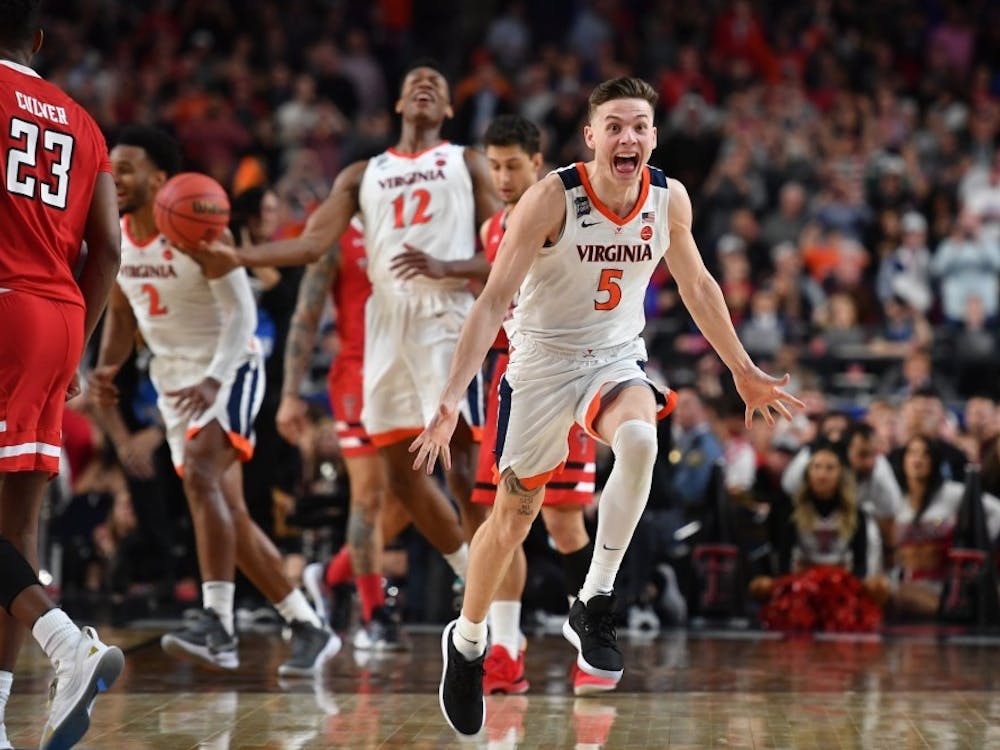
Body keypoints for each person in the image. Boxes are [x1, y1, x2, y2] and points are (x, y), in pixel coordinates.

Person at [409, 76, 805, 736]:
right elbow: (489, 303)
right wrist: (451, 400)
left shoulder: (667, 198)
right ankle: (469, 641)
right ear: (591, 137)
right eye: (615, 126)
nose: (629, 137)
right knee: (511, 519)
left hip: (614, 361)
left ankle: (594, 597)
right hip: (538, 364)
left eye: (640, 126)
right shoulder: (549, 198)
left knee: (643, 441)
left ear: (653, 136)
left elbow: (700, 285)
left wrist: (744, 370)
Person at [197, 60, 503, 559]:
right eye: (413, 83)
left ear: (448, 108)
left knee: (462, 469)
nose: (424, 85)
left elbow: (506, 248)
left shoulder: (466, 162)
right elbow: (314, 243)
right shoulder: (363, 174)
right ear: (399, 104)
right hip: (382, 323)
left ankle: (489, 611)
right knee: (401, 481)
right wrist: (239, 255)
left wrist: (447, 265)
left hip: (444, 314)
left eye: (436, 84)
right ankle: (470, 576)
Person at [90, 126, 336, 676]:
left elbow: (244, 315)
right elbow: (125, 314)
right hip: (176, 380)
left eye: (126, 168)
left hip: (231, 366)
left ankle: (217, 625)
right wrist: (107, 367)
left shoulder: (196, 228)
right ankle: (307, 626)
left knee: (201, 476)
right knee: (231, 520)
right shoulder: (121, 237)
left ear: (160, 178)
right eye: (112, 167)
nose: (115, 177)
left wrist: (215, 380)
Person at [0, 3, 124, 747]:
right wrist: (78, 345)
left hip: (4, 303)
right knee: (14, 531)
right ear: (37, 41)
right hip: (61, 316)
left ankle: (65, 643)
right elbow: (107, 247)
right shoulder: (82, 119)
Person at [282, 216, 468, 650]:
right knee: (367, 494)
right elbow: (306, 315)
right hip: (357, 377)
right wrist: (291, 392)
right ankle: (373, 614)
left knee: (411, 495)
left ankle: (327, 577)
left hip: (414, 371)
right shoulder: (337, 235)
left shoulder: (422, 222)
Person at [470, 114, 605, 696]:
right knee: (501, 518)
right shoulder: (489, 229)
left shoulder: (570, 209)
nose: (502, 177)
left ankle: (588, 637)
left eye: (512, 166)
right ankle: (505, 648)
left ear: (537, 161)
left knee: (563, 518)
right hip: (506, 374)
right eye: (494, 166)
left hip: (566, 369)